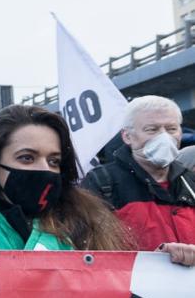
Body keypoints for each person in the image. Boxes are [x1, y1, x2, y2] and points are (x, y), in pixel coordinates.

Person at [0, 105, 195, 267]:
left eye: (54, 160)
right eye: (27, 157)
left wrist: (167, 266)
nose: (44, 169)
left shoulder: (88, 224)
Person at [83, 96, 195, 250]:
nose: (164, 137)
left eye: (171, 129)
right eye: (152, 129)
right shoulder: (101, 182)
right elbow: (92, 248)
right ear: (127, 136)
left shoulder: (190, 182)